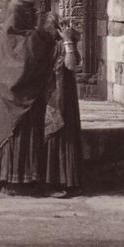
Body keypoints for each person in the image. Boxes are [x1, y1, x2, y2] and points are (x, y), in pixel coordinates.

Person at [0, 0, 55, 194]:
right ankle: (19, 181)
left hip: (4, 100)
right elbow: (34, 59)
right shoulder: (32, 39)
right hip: (23, 103)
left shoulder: (6, 36)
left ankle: (7, 179)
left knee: (10, 139)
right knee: (21, 138)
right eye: (31, 13)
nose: (34, 16)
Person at [42, 12, 84, 198]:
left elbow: (72, 65)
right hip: (52, 95)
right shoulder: (47, 46)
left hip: (65, 96)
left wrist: (68, 43)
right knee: (54, 135)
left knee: (65, 135)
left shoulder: (64, 45)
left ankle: (68, 181)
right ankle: (54, 182)